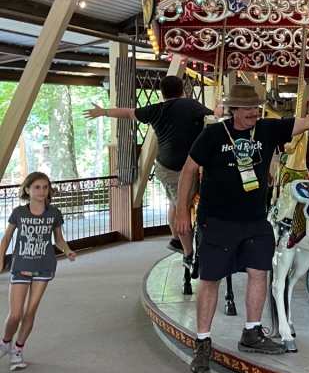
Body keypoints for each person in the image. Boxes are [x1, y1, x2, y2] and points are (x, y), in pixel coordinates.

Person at [177, 81, 309, 373]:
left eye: (256, 107)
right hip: (218, 220)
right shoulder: (212, 135)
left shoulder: (267, 129)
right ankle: (202, 342)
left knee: (259, 273)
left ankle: (251, 332)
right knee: (211, 280)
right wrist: (183, 210)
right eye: (247, 108)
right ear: (233, 109)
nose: (253, 112)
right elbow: (187, 171)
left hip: (255, 219)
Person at [85, 76, 219, 262]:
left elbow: (128, 113)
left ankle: (176, 239)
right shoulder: (191, 105)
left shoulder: (156, 110)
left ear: (162, 93)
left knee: (174, 202)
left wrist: (103, 112)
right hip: (182, 168)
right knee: (183, 207)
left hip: (163, 166)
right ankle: (189, 253)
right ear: (183, 90)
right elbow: (214, 118)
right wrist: (220, 107)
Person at [0, 172, 76, 370]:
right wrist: (0, 260)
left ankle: (18, 350)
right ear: (27, 190)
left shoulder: (54, 213)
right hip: (21, 266)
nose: (42, 191)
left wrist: (67, 249)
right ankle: (5, 342)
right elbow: (7, 238)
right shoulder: (18, 212)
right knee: (15, 314)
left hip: (44, 267)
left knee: (30, 311)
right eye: (37, 187)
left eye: (45, 187)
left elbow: (58, 239)